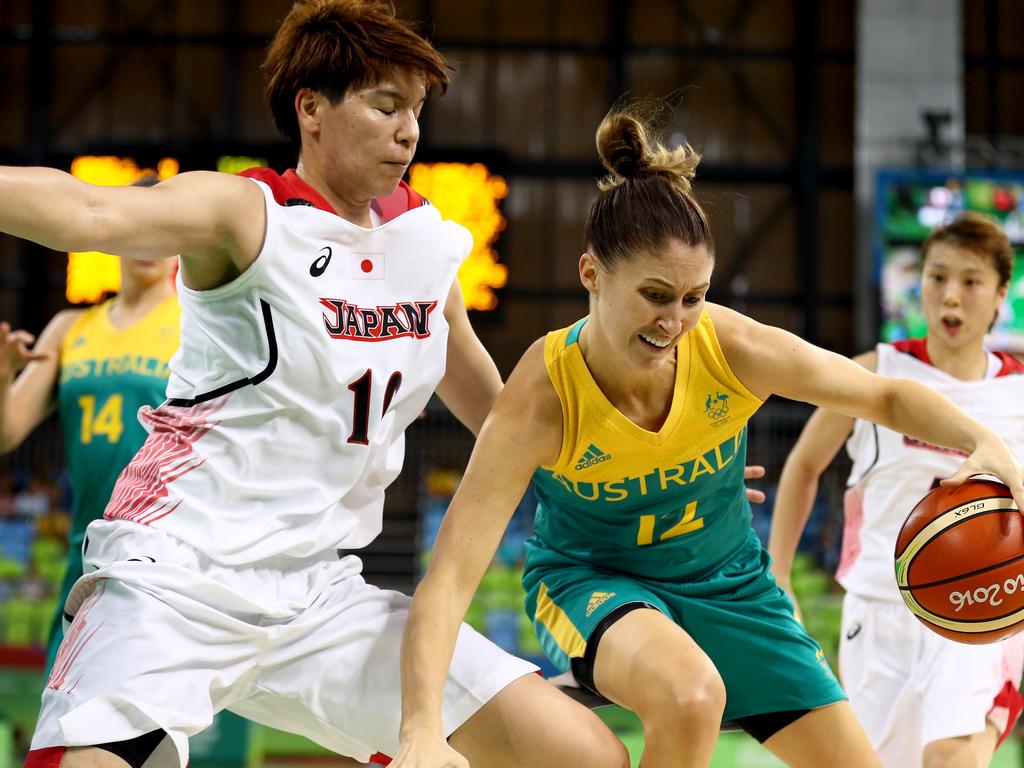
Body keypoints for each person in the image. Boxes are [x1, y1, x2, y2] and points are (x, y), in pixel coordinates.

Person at [0, 3, 633, 768]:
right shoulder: (247, 213)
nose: (409, 132)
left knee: (580, 753)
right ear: (311, 110)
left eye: (417, 112)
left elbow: (499, 413)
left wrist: (636, 475)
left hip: (319, 596)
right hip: (175, 578)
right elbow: (89, 210)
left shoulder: (425, 244)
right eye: (385, 105)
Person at [393, 106, 1024, 768]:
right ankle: (595, 674)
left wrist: (983, 442)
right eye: (656, 295)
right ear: (591, 275)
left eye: (694, 297)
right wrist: (420, 729)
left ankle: (588, 686)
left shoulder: (729, 347)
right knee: (692, 695)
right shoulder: (540, 400)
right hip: (594, 581)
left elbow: (885, 394)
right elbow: (450, 578)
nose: (675, 321)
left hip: (729, 583)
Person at [767, 212, 1024, 768]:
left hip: (976, 610)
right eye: (937, 277)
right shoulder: (876, 372)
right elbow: (804, 465)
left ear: (1001, 293)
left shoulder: (1019, 392)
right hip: (879, 607)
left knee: (952, 759)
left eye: (971, 281)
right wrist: (779, 572)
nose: (950, 296)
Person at [0, 177, 178, 673]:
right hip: (89, 550)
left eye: (164, 227)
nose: (150, 240)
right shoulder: (69, 329)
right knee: (63, 721)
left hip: (169, 556)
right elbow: (7, 433)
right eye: (139, 222)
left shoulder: (202, 326)